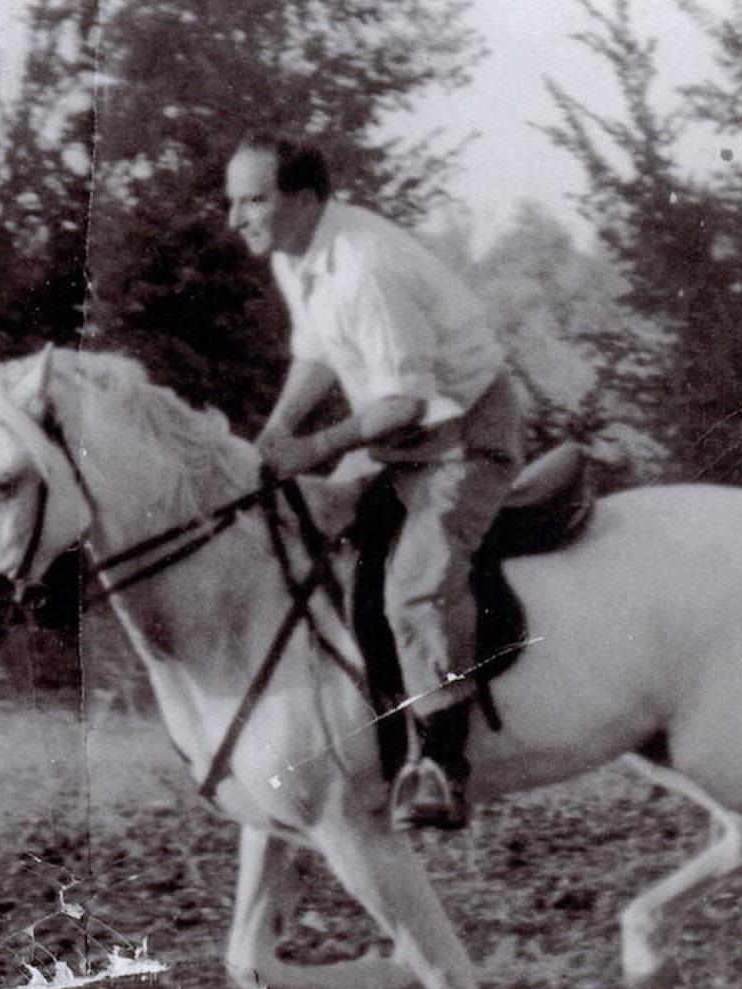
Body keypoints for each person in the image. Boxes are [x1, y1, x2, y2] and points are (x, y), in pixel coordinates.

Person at [224, 131, 527, 832]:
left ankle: (443, 768)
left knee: (415, 591)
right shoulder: (296, 253)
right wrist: (277, 431)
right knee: (312, 536)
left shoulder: (365, 267)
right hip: (399, 435)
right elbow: (317, 351)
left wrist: (314, 447)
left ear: (301, 200)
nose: (235, 218)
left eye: (253, 201)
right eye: (233, 201)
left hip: (464, 437)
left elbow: (406, 402)